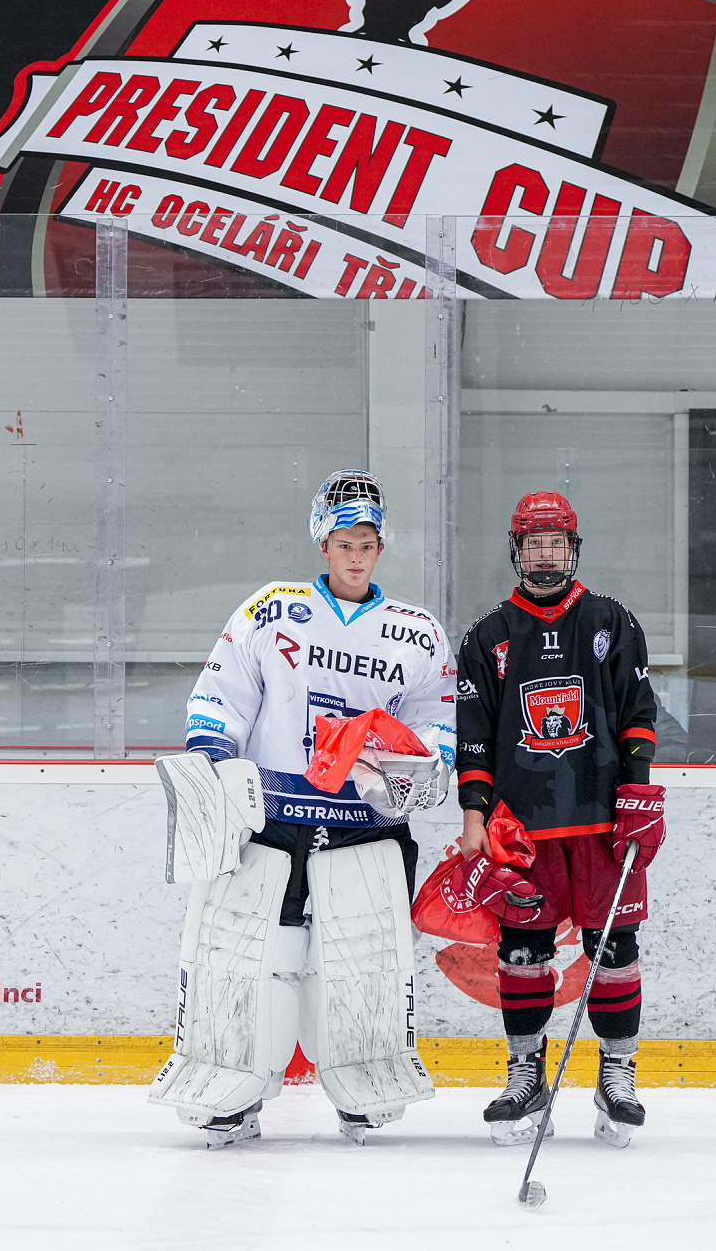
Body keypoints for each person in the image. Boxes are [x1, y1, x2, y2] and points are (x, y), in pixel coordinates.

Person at [145, 470, 456, 1147]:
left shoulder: (418, 633)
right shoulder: (272, 610)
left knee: (361, 962)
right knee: (248, 956)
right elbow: (221, 693)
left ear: (380, 548)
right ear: (323, 544)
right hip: (273, 820)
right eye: (344, 544)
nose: (356, 556)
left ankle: (363, 1082)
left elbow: (438, 721)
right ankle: (231, 1083)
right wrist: (214, 759)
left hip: (366, 826)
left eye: (367, 545)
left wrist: (424, 763)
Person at [453, 491, 663, 1149]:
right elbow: (474, 738)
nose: (545, 554)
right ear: (516, 551)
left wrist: (637, 794)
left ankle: (617, 1074)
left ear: (573, 549)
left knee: (615, 949)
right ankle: (526, 1074)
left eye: (556, 542)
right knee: (522, 953)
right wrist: (474, 816)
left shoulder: (609, 619)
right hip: (522, 828)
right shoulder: (487, 636)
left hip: (601, 822)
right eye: (533, 543)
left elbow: (637, 713)